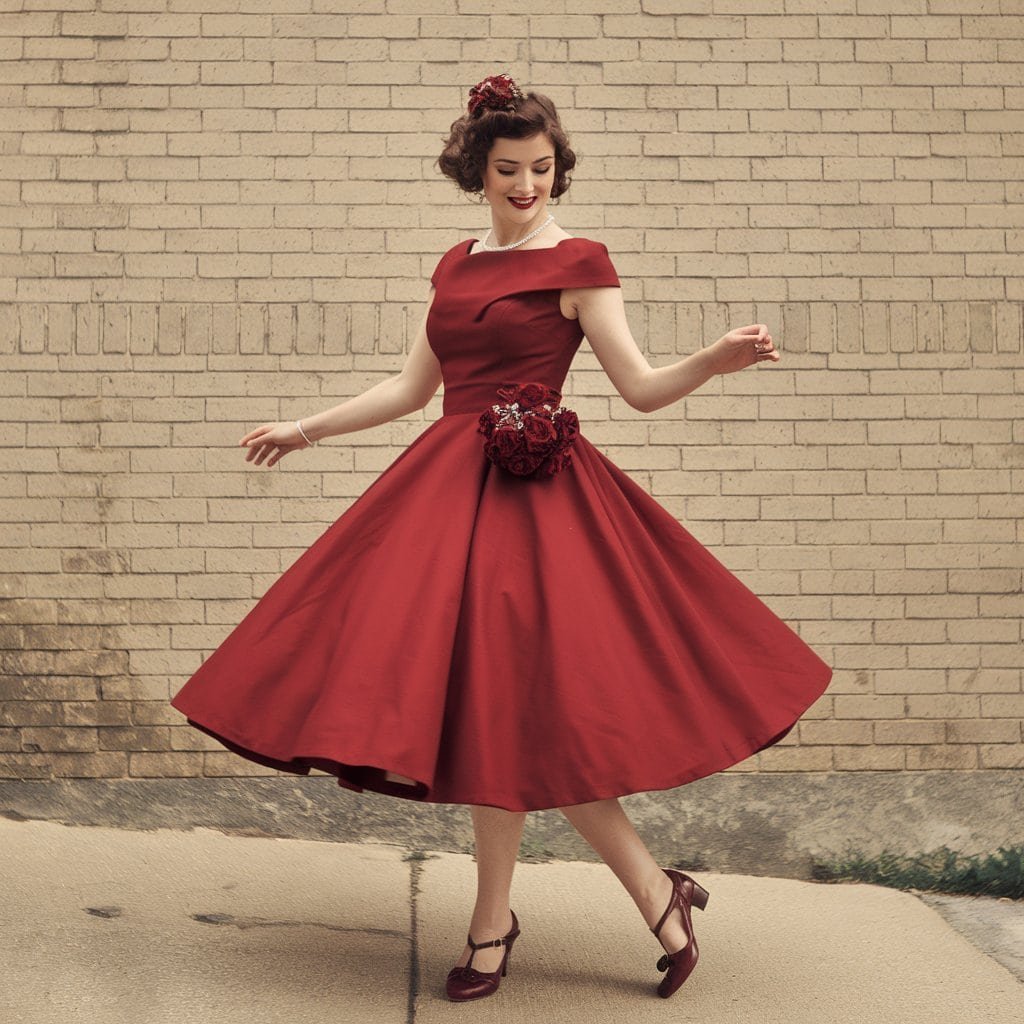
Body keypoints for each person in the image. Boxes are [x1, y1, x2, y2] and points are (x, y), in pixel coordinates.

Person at [169, 73, 832, 1002]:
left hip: (542, 515)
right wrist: (304, 427)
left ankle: (510, 925)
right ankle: (618, 902)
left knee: (523, 721)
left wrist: (714, 362)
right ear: (476, 171)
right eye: (510, 169)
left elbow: (637, 387)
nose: (527, 185)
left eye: (543, 169)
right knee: (498, 723)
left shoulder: (580, 263)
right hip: (447, 499)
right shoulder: (453, 265)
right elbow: (410, 392)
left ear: (560, 173)